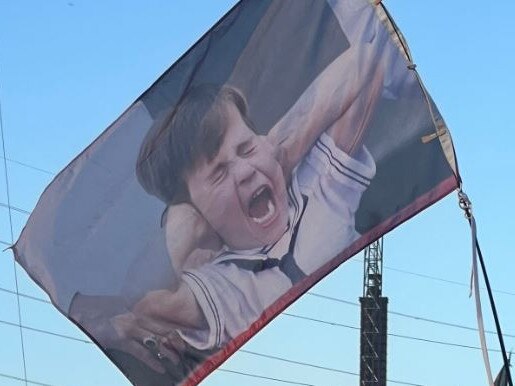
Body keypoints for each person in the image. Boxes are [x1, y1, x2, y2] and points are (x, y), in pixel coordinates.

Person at [132, 36, 384, 354]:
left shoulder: (309, 187)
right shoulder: (223, 282)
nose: (246, 171)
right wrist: (187, 234)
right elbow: (148, 305)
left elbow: (368, 60)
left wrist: (283, 148)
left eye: (246, 147)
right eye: (219, 173)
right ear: (195, 210)